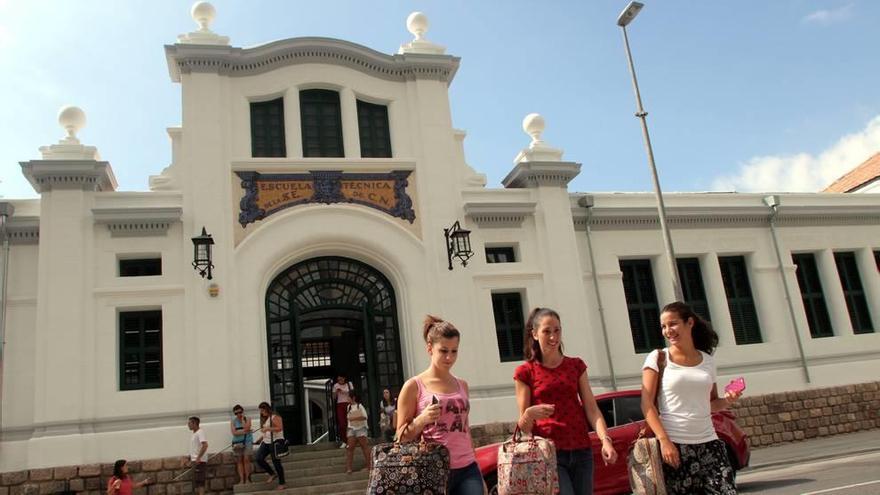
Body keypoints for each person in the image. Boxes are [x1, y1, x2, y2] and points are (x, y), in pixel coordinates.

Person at [641, 301, 742, 495]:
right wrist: (665, 442)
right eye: (663, 326)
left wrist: (729, 399)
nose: (667, 330)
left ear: (690, 323)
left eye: (673, 324)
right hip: (675, 447)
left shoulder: (708, 361)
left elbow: (711, 404)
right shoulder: (658, 358)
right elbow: (646, 405)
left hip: (710, 444)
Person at [514, 307, 617, 495]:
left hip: (582, 449)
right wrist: (529, 413)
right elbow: (523, 426)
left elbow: (592, 409)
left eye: (557, 330)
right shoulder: (526, 371)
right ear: (535, 334)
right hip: (549, 453)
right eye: (547, 331)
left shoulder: (575, 365)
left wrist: (605, 440)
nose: (553, 337)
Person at [396, 315, 484, 495]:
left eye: (454, 351)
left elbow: (465, 429)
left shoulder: (462, 385)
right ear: (430, 348)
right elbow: (400, 437)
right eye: (443, 351)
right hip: (433, 469)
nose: (449, 357)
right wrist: (422, 420)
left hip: (468, 468)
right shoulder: (414, 386)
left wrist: (479, 474)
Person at [254, 402, 286, 490]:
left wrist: (268, 428)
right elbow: (267, 432)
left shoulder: (275, 416)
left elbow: (280, 428)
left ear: (267, 409)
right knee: (258, 458)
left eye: (262, 410)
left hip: (276, 441)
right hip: (266, 441)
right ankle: (272, 473)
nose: (261, 412)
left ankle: (282, 483)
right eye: (260, 411)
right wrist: (259, 440)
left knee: (276, 462)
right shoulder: (266, 418)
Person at [344, 391, 373, 474]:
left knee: (364, 447)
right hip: (351, 428)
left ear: (353, 398)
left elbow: (365, 417)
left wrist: (354, 418)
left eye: (348, 397)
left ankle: (369, 466)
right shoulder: (348, 407)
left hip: (360, 428)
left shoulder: (359, 406)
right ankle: (349, 468)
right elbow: (348, 419)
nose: (347, 399)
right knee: (350, 448)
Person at [230, 404, 253, 484]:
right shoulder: (233, 421)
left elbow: (247, 428)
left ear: (242, 411)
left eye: (239, 412)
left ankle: (247, 479)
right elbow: (234, 433)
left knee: (246, 460)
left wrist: (243, 421)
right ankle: (241, 479)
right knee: (239, 461)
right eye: (236, 413)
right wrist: (245, 431)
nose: (238, 415)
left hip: (247, 441)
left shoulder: (248, 418)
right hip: (237, 442)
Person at [187, 416, 208, 495]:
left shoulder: (200, 432)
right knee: (196, 482)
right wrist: (189, 458)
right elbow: (195, 447)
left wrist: (198, 458)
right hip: (195, 461)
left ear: (194, 423)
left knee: (200, 481)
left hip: (200, 461)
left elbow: (205, 445)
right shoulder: (194, 433)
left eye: (189, 423)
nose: (188, 425)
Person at [332, 374, 355, 446]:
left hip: (348, 403)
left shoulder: (349, 384)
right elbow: (334, 397)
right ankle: (344, 441)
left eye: (341, 379)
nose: (340, 381)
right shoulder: (336, 385)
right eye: (338, 380)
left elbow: (352, 394)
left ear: (344, 378)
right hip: (340, 404)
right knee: (342, 424)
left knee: (350, 422)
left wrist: (343, 391)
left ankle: (352, 440)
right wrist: (336, 392)